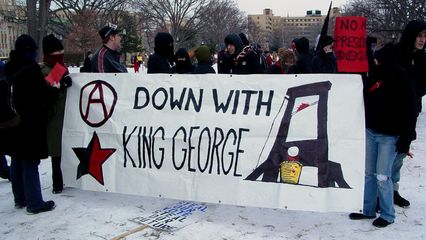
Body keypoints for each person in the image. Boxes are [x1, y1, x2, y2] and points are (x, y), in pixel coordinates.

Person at [349, 43, 417, 227]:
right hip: (371, 132)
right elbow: (363, 99)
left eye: (378, 60)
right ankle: (368, 209)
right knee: (369, 174)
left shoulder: (402, 81)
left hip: (389, 136)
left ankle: (387, 214)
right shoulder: (375, 77)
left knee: (382, 176)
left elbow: (411, 113)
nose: (376, 62)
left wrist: (405, 140)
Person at [5, 34, 59, 214]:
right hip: (30, 122)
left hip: (14, 121)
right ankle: (34, 202)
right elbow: (42, 94)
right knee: (30, 161)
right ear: (30, 52)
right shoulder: (31, 70)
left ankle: (20, 198)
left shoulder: (10, 67)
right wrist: (54, 90)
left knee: (17, 159)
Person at [391, 20, 426, 208]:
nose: (422, 40)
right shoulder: (396, 54)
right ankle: (381, 193)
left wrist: (414, 92)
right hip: (391, 115)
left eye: (425, 36)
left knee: (400, 155)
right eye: (419, 35)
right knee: (387, 156)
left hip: (410, 116)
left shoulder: (423, 58)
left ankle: (393, 190)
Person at [40, 34, 72, 194]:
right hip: (54, 118)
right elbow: (47, 96)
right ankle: (57, 183)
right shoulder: (44, 71)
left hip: (66, 116)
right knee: (56, 152)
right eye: (57, 51)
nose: (61, 53)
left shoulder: (61, 68)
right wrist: (61, 88)